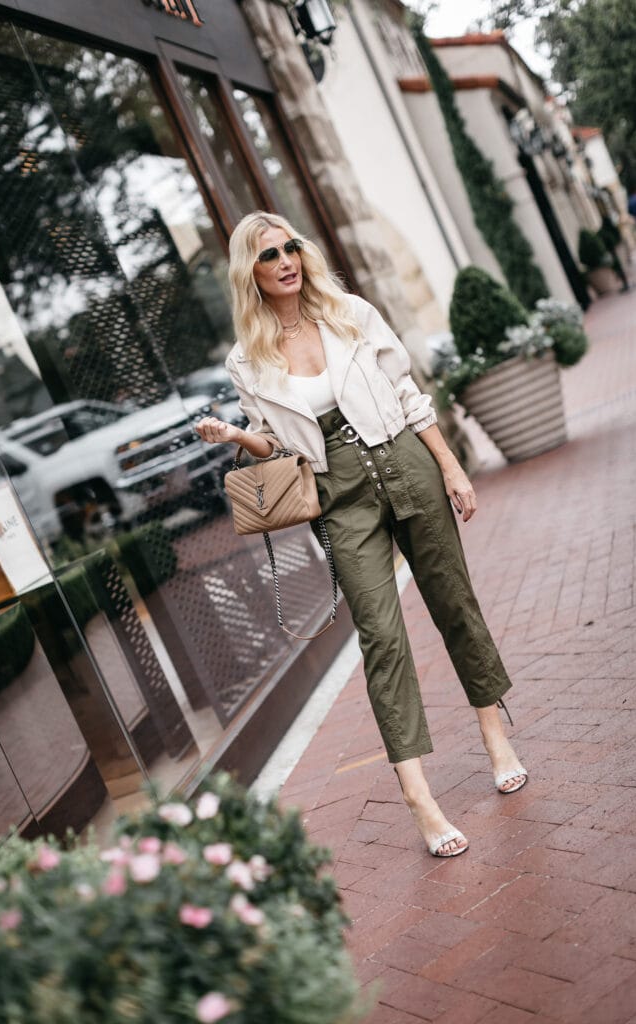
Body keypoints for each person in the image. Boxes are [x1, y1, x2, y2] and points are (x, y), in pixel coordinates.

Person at [196, 211, 527, 858]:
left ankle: (494, 735)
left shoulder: (348, 311)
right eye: (270, 255)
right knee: (380, 635)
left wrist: (451, 466)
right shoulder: (247, 359)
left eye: (291, 247)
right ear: (250, 272)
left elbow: (406, 393)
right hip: (336, 494)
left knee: (453, 604)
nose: (286, 260)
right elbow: (271, 442)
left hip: (403, 460)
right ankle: (417, 797)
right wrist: (236, 437)